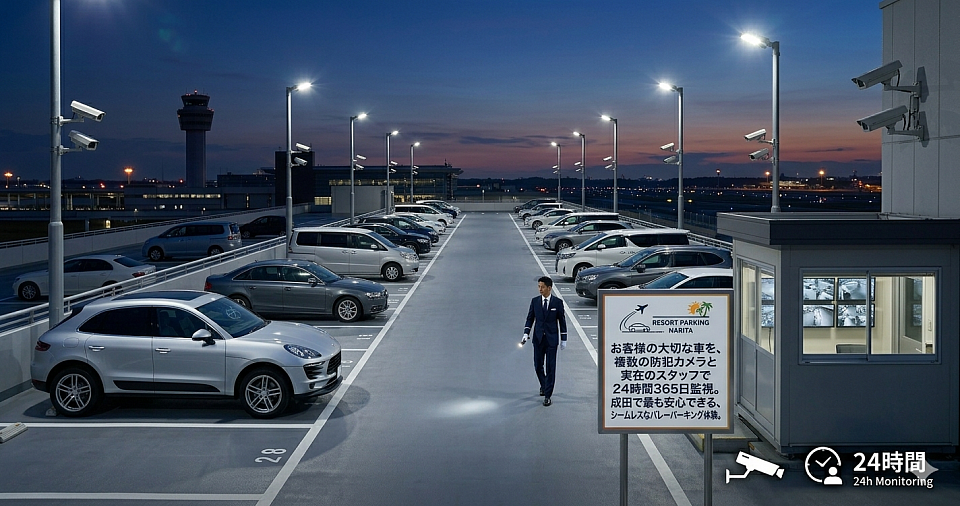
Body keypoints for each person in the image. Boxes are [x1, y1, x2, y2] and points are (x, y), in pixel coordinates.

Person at [521, 276, 568, 406]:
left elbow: (562, 321)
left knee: (550, 367)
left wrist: (564, 338)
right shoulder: (535, 301)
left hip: (552, 340)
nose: (540, 289)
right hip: (538, 339)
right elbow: (530, 318)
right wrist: (526, 333)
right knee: (538, 366)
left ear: (549, 288)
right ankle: (544, 384)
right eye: (538, 286)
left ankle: (547, 395)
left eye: (542, 287)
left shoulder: (557, 303)